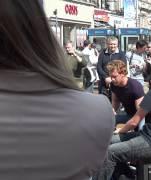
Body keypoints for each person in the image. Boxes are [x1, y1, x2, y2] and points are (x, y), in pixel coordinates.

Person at [0, 1, 115, 179]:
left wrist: (76, 55)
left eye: (69, 46)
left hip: (74, 88)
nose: (67, 48)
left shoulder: (78, 57)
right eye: (66, 47)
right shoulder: (97, 111)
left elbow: (84, 65)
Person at [107, 60, 145, 129]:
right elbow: (115, 101)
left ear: (123, 73)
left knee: (140, 130)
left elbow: (141, 113)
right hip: (129, 115)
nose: (112, 79)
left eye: (114, 76)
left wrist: (126, 128)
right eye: (110, 76)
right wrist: (112, 113)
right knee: (107, 121)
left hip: (141, 117)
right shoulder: (113, 84)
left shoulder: (135, 87)